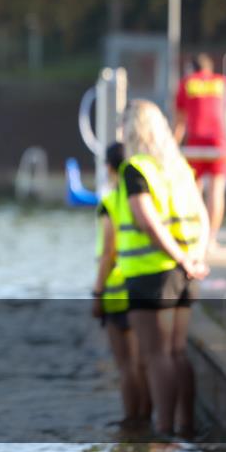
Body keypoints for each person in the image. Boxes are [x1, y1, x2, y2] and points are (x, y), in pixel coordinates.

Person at [119, 99, 210, 438]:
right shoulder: (179, 167)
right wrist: (195, 257)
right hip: (186, 273)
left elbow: (147, 220)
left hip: (152, 274)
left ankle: (163, 433)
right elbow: (202, 216)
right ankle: (186, 427)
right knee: (177, 352)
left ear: (132, 130)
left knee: (156, 355)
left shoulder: (136, 169)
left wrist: (180, 258)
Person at [91, 142, 150, 430]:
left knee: (126, 365)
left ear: (109, 168)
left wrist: (97, 293)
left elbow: (107, 253)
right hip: (143, 286)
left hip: (116, 292)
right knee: (144, 363)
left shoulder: (111, 201)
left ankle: (132, 422)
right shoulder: (147, 195)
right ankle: (149, 420)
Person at [174, 53, 226, 249]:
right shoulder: (222, 82)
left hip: (196, 142)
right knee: (216, 192)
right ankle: (211, 239)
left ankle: (194, 236)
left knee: (193, 191)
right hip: (220, 142)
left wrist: (172, 146)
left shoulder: (187, 82)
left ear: (192, 68)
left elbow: (180, 122)